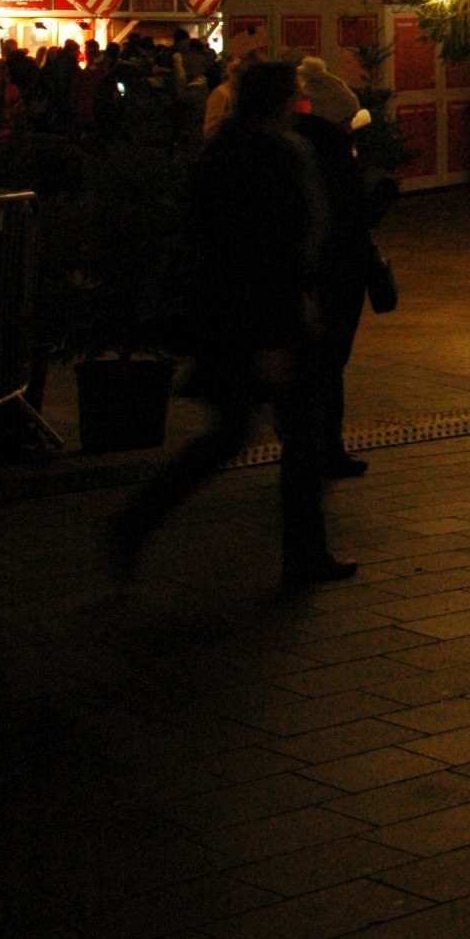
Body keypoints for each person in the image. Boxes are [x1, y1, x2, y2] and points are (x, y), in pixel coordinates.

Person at [107, 57, 352, 590]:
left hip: (224, 314)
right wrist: (279, 330)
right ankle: (303, 553)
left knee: (232, 433)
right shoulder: (279, 155)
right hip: (268, 318)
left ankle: (138, 519)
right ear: (281, 101)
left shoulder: (222, 150)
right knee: (298, 435)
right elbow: (281, 245)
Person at [293, 63, 373, 477]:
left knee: (321, 366)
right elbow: (350, 217)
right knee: (327, 364)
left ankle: (318, 449)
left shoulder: (302, 149)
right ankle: (322, 449)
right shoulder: (332, 154)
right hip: (335, 272)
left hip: (321, 272)